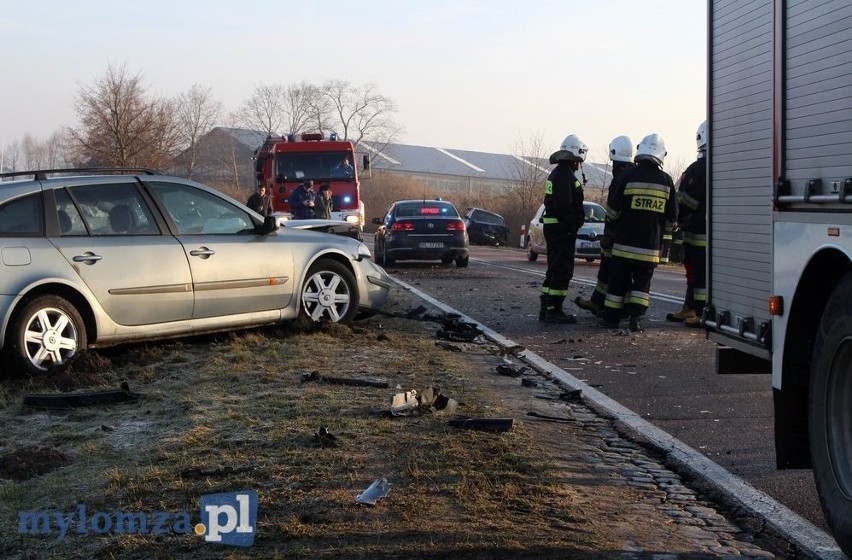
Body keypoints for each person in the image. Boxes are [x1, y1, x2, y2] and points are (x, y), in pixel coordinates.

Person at [598, 133, 677, 333]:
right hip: (649, 248)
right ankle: (636, 320)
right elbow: (672, 219)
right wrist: (661, 235)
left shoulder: (626, 176)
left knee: (617, 283)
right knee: (641, 285)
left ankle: (611, 320)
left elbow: (613, 211)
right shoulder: (666, 181)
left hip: (623, 245)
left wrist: (612, 232)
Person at [575, 135, 635, 316]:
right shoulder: (630, 175)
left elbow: (614, 210)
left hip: (619, 235)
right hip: (621, 234)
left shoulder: (621, 178)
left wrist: (609, 234)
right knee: (607, 270)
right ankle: (597, 302)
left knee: (617, 274)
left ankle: (612, 308)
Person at [538, 134, 588, 324]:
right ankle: (554, 310)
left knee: (554, 268)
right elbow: (565, 206)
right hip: (561, 229)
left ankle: (546, 306)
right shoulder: (564, 176)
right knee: (562, 270)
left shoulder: (559, 174)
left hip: (555, 228)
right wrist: (573, 224)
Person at [667, 120, 708, 327]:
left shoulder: (699, 168)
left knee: (698, 273)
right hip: (711, 232)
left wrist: (679, 217)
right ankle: (691, 308)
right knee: (696, 273)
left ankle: (699, 312)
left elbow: (684, 200)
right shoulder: (724, 166)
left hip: (698, 233)